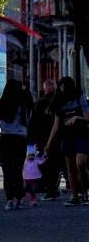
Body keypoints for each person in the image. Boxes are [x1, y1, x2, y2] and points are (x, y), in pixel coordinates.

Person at [45, 76, 89, 205]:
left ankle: (85, 191)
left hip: (82, 134)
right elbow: (56, 125)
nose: (63, 89)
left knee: (80, 164)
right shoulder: (58, 101)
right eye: (61, 87)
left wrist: (76, 117)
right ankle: (74, 195)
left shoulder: (79, 97)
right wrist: (49, 143)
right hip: (67, 136)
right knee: (70, 168)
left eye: (65, 86)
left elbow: (87, 116)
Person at [0, 77, 34, 210]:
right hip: (19, 138)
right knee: (17, 169)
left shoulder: (2, 103)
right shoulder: (22, 102)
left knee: (7, 170)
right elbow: (29, 119)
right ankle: (19, 197)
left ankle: (10, 199)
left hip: (6, 138)